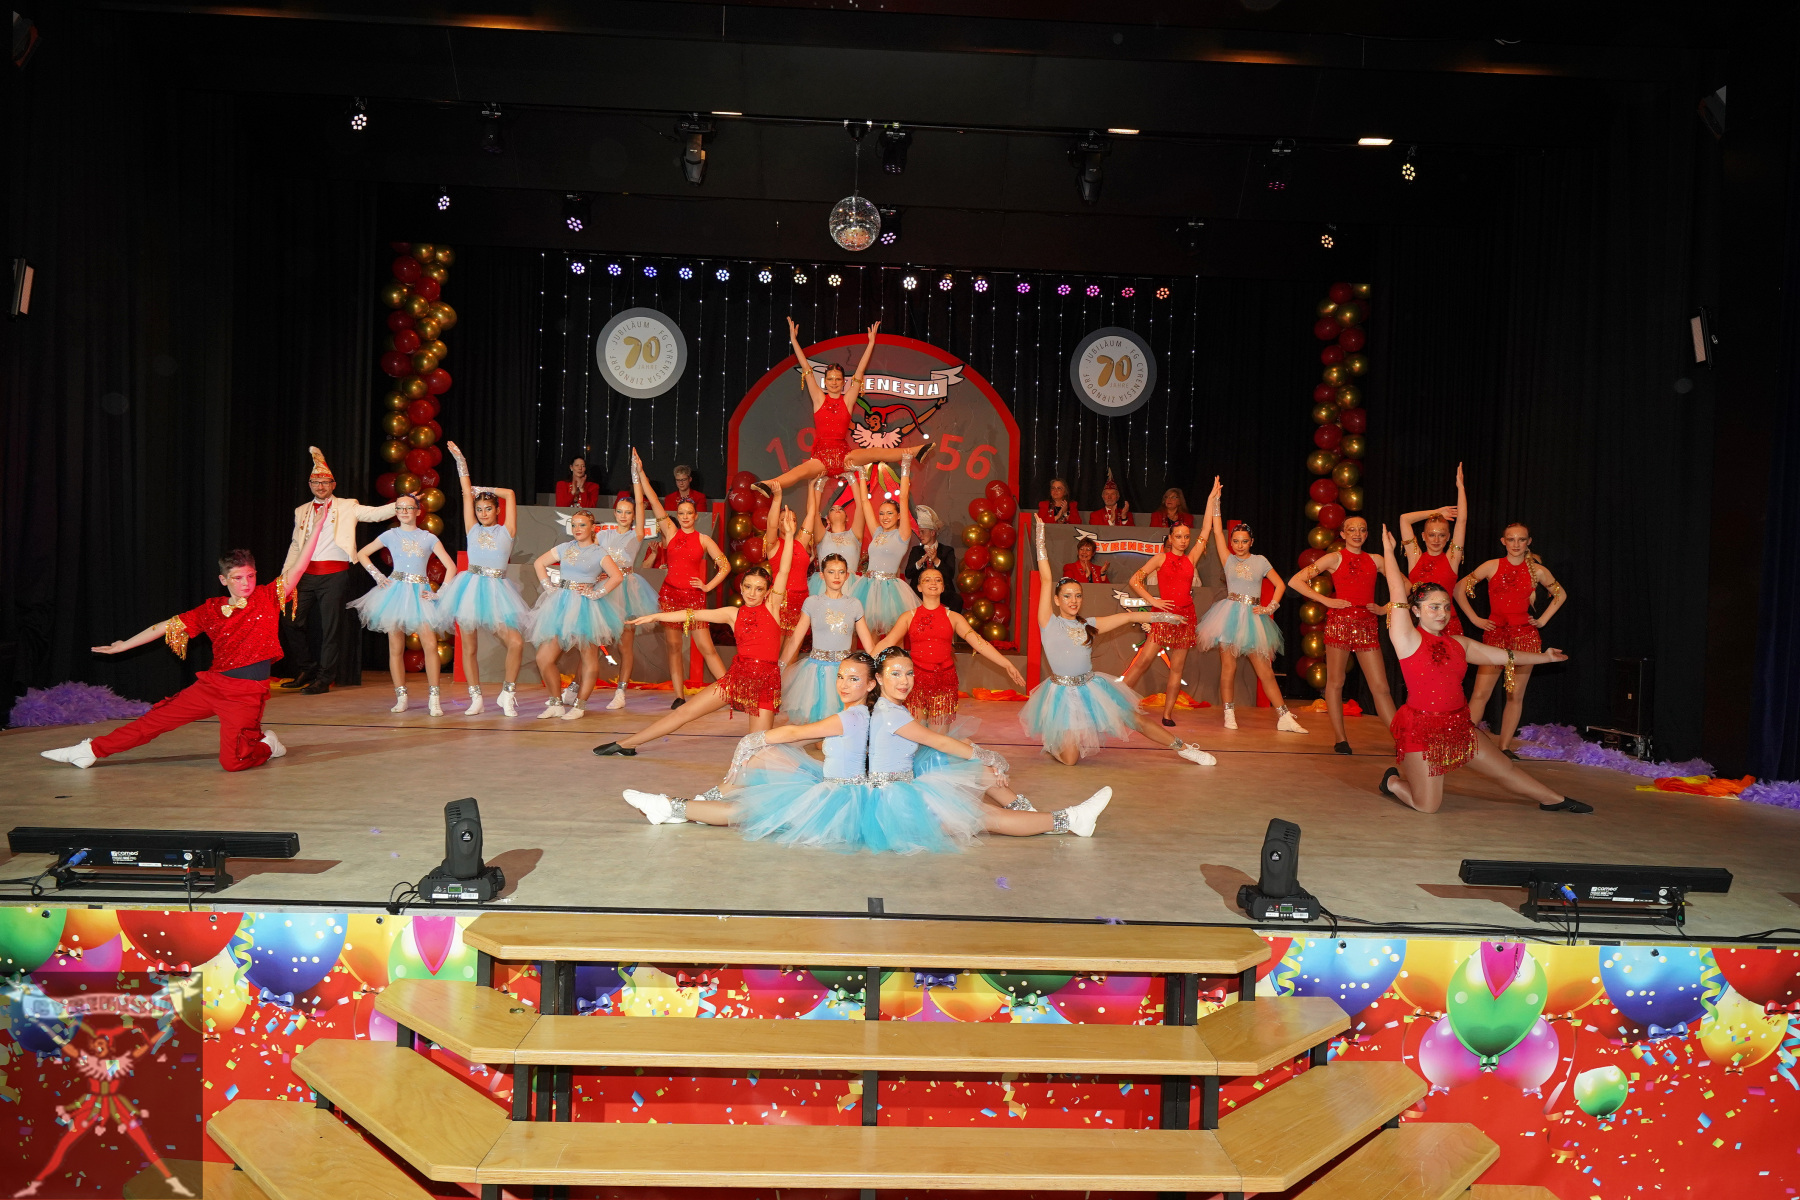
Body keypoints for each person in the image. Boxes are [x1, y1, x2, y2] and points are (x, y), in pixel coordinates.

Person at [621, 649, 1116, 845]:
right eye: (841, 677)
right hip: (859, 792)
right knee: (747, 803)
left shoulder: (871, 713)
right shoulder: (871, 712)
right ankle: (674, 807)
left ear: (869, 684)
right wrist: (759, 740)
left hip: (876, 795)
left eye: (853, 678)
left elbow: (934, 740)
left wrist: (758, 737)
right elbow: (801, 735)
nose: (844, 683)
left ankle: (675, 807)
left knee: (985, 813)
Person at [41, 505, 332, 772]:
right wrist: (124, 645)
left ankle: (267, 745)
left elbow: (299, 566)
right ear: (224, 580)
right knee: (153, 721)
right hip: (212, 686)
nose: (246, 583)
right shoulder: (211, 610)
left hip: (245, 694)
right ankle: (90, 750)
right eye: (238, 578)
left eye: (250, 576)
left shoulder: (267, 597)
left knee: (232, 762)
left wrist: (318, 526)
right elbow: (165, 626)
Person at [1375, 526, 1591, 814]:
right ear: (1416, 610)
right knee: (1428, 805)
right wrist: (1389, 553)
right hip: (1422, 731)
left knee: (1505, 770)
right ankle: (1391, 782)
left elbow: (1507, 655)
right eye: (1433, 607)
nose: (1442, 613)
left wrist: (1546, 658)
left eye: (1445, 607)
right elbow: (1396, 591)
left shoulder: (1460, 643)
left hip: (1459, 726)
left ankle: (1555, 799)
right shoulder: (1407, 639)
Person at [593, 511, 800, 756]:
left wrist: (789, 536)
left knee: (756, 746)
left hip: (765, 683)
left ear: (767, 592)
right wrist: (656, 616)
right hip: (736, 678)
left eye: (758, 589)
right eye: (747, 587)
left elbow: (784, 570)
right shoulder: (732, 614)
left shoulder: (773, 607)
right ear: (741, 587)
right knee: (685, 712)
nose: (752, 593)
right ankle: (626, 744)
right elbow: (691, 614)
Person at [1023, 516, 1216, 767]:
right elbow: (1046, 579)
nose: (1073, 601)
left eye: (1078, 595)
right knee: (1070, 760)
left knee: (1135, 719)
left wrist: (1164, 616)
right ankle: (1053, 746)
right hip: (1062, 695)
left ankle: (1184, 748)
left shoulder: (1089, 624)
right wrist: (1040, 537)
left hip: (1092, 689)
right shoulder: (1048, 623)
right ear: (1057, 600)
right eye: (1067, 596)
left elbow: (1129, 617)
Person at [753, 319, 934, 492]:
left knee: (876, 452)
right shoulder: (819, 399)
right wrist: (794, 340)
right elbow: (807, 370)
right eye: (830, 379)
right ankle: (769, 485)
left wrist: (871, 343)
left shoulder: (847, 401)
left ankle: (916, 451)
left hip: (844, 456)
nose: (834, 382)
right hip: (821, 459)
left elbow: (859, 372)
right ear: (825, 381)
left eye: (838, 379)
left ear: (843, 382)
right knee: (799, 472)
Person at [277, 446, 397, 695]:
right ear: (310, 484)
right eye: (316, 482)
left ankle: (324, 678)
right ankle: (307, 668)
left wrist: (403, 504)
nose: (320, 486)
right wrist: (285, 575)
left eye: (325, 482)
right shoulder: (301, 510)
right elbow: (296, 545)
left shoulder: (347, 506)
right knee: (290, 621)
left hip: (334, 575)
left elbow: (376, 514)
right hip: (305, 575)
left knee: (330, 628)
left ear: (333, 484)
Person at [1196, 479, 1307, 733]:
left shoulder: (1260, 561)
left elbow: (1280, 584)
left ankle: (1284, 717)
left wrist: (1271, 607)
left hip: (1254, 619)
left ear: (1251, 542)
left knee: (1264, 670)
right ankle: (1229, 713)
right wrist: (1216, 501)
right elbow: (1216, 532)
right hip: (1229, 616)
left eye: (1244, 541)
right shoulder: (1228, 559)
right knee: (1229, 668)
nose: (1239, 545)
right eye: (1235, 541)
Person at [1288, 514, 1397, 753]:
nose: (1357, 533)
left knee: (1381, 687)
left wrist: (1385, 608)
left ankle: (1401, 739)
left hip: (1367, 626)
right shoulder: (1334, 558)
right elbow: (1296, 581)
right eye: (1352, 529)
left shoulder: (1376, 560)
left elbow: (1405, 588)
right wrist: (1327, 600)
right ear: (1343, 534)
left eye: (1362, 529)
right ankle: (1340, 739)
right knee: (1336, 682)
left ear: (1367, 534)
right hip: (1339, 624)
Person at [1456, 521, 1568, 754]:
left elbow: (1560, 594)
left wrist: (1543, 620)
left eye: (1521, 539)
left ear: (1529, 542)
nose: (1516, 544)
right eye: (1511, 539)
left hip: (1525, 638)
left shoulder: (1538, 570)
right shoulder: (1491, 566)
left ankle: (1505, 747)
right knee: (1480, 694)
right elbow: (1459, 589)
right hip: (1495, 636)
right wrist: (1475, 619)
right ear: (1503, 541)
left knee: (1515, 696)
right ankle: (1463, 744)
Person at [436, 443, 530, 716]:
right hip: (470, 587)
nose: (483, 513)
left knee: (516, 642)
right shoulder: (472, 528)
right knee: (469, 646)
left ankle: (507, 693)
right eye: (479, 509)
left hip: (498, 590)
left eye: (488, 508)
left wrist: (480, 488)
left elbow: (510, 494)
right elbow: (466, 494)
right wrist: (461, 462)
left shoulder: (507, 531)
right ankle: (475, 697)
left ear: (497, 510)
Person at [348, 495, 460, 715]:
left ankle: (434, 698)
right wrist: (379, 577)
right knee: (395, 646)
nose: (404, 511)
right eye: (399, 508)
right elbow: (362, 553)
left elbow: (451, 566)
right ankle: (401, 696)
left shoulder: (428, 537)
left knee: (430, 644)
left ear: (418, 511)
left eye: (409, 508)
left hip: (420, 594)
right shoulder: (391, 535)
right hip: (395, 592)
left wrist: (440, 593)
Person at [637, 448, 732, 707]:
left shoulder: (703, 539)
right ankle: (679, 696)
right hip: (670, 595)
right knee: (674, 648)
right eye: (682, 514)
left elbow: (725, 566)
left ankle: (731, 694)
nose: (686, 517)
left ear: (696, 515)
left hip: (694, 599)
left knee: (707, 647)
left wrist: (707, 586)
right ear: (677, 517)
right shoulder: (670, 532)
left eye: (690, 513)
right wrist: (641, 473)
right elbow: (653, 499)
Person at [875, 565, 1025, 724]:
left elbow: (979, 643)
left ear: (943, 587)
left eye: (938, 580)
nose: (933, 583)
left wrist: (1007, 664)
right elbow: (888, 641)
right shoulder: (908, 617)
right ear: (919, 587)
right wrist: (866, 663)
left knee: (938, 733)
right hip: (916, 681)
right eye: (927, 580)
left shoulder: (954, 617)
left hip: (944, 681)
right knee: (918, 732)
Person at [526, 509, 624, 721]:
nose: (577, 529)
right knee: (543, 657)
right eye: (574, 525)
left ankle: (580, 706)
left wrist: (596, 593)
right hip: (560, 605)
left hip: (585, 608)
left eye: (582, 525)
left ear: (593, 528)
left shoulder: (599, 552)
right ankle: (556, 704)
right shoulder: (565, 547)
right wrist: (549, 588)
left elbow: (617, 576)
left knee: (588, 657)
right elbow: (538, 563)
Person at [1121, 512, 1211, 727]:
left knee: (1177, 668)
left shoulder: (1191, 559)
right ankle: (1115, 704)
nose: (1183, 540)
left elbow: (1206, 531)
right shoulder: (1161, 558)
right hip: (1164, 616)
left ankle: (1167, 714)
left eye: (1186, 537)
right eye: (1178, 536)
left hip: (1185, 617)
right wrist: (1154, 601)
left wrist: (1212, 500)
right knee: (1143, 661)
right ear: (1170, 538)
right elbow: (1135, 580)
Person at [595, 460, 663, 711]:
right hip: (605, 589)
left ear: (634, 516)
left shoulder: (637, 535)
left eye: (628, 512)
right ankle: (577, 687)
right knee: (593, 641)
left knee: (624, 645)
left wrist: (636, 475)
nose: (624, 515)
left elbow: (641, 503)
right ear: (615, 513)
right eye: (620, 511)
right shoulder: (602, 534)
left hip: (627, 591)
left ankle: (621, 691)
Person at [779, 552, 876, 724]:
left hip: (844, 671)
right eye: (831, 572)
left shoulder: (854, 604)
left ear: (847, 576)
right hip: (816, 673)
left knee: (843, 724)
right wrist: (779, 668)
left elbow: (868, 644)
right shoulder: (812, 602)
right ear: (822, 575)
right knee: (818, 729)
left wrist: (880, 668)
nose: (836, 577)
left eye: (841, 572)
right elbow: (795, 639)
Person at [853, 454, 920, 636]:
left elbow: (903, 498)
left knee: (894, 635)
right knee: (871, 634)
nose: (885, 517)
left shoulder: (902, 535)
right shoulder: (877, 532)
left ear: (898, 516)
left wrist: (905, 466)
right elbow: (865, 502)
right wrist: (861, 474)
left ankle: (894, 658)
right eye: (882, 513)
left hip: (890, 591)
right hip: (868, 587)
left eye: (890, 513)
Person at [1401, 465, 1469, 638]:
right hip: (1418, 626)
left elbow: (1461, 521)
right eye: (1431, 535)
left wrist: (1460, 488)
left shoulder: (1452, 558)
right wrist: (1436, 512)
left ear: (1448, 538)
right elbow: (1404, 519)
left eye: (1441, 535)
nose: (1436, 540)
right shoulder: (1415, 557)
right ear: (1423, 536)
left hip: (1448, 625)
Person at [762, 478, 818, 633]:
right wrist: (777, 498)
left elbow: (811, 514)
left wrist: (811, 486)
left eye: (793, 519)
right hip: (781, 599)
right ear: (779, 523)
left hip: (802, 599)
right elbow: (771, 525)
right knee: (776, 642)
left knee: (794, 645)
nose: (789, 522)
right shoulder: (773, 545)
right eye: (784, 519)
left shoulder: (801, 542)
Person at [811, 474, 867, 599]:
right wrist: (820, 484)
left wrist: (852, 479)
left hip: (853, 588)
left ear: (847, 518)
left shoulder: (855, 534)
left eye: (840, 509)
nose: (836, 509)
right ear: (827, 519)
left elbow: (860, 506)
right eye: (832, 509)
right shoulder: (822, 536)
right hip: (824, 586)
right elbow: (813, 512)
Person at [903, 504, 959, 612]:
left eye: (923, 532)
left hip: (942, 592)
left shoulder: (947, 550)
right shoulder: (916, 550)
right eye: (919, 532)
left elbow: (950, 574)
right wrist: (920, 562)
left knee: (956, 600)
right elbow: (908, 574)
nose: (920, 535)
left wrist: (936, 560)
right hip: (919, 592)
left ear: (932, 533)